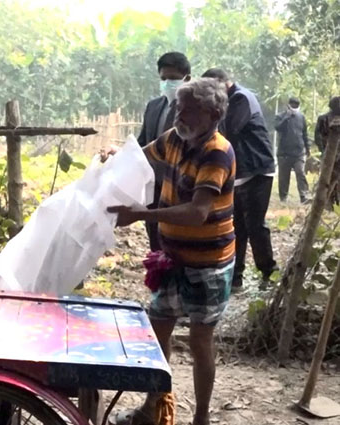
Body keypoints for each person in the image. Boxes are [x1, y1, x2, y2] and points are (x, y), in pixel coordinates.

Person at [108, 78, 235, 425]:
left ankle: (202, 417)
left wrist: (140, 215)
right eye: (179, 108)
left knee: (199, 340)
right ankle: (155, 407)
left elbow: (198, 212)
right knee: (157, 331)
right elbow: (140, 157)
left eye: (188, 109)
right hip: (172, 259)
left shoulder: (217, 152)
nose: (179, 115)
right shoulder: (175, 139)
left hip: (208, 265)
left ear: (211, 114)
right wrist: (113, 157)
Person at [201, 68, 277, 291]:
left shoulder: (241, 98)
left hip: (257, 170)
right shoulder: (226, 101)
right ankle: (236, 277)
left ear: (223, 83)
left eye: (212, 89)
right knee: (237, 226)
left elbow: (230, 131)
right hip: (240, 171)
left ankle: (269, 273)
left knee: (255, 224)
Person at [137, 52, 192, 251]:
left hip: (182, 188)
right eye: (163, 79)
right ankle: (159, 275)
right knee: (154, 237)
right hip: (154, 185)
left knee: (178, 240)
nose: (167, 83)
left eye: (173, 79)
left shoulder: (195, 110)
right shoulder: (153, 107)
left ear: (187, 78)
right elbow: (142, 142)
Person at [275, 97, 311, 203]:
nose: (295, 107)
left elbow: (304, 133)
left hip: (299, 152)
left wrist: (307, 147)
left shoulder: (301, 117)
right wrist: (287, 117)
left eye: (297, 105)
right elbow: (277, 127)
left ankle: (304, 196)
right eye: (293, 105)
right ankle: (283, 197)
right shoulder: (280, 116)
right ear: (289, 105)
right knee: (284, 177)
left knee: (300, 173)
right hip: (284, 153)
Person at [315, 96, 340, 206]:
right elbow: (318, 136)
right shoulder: (323, 119)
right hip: (328, 154)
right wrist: (323, 150)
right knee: (327, 179)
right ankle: (328, 202)